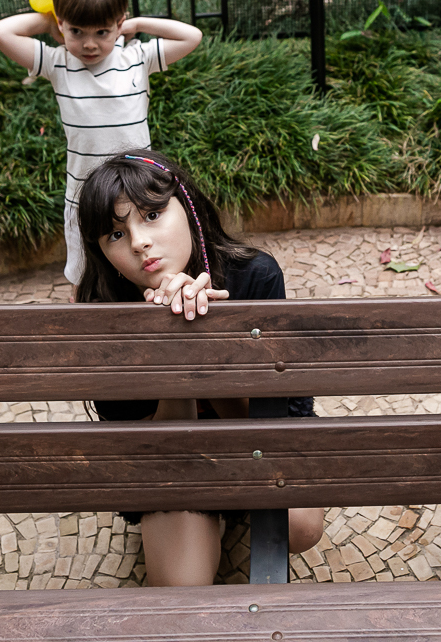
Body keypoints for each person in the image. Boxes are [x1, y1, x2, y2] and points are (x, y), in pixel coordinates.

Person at [74, 149, 325, 586]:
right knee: (180, 589)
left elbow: (280, 420)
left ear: (187, 207)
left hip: (253, 444)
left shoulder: (255, 277)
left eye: (151, 215)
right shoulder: (103, 312)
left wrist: (207, 344)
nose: (138, 242)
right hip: (174, 459)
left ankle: (236, 510)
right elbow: (146, 448)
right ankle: (203, 522)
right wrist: (173, 352)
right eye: (115, 234)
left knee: (299, 526)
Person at [0, 0, 203, 291]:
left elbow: (192, 36)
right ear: (63, 25)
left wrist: (137, 23)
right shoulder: (57, 63)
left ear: (118, 24)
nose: (89, 44)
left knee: (150, 264)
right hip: (85, 196)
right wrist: (51, 20)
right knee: (86, 275)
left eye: (101, 32)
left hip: (138, 194)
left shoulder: (138, 58)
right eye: (77, 31)